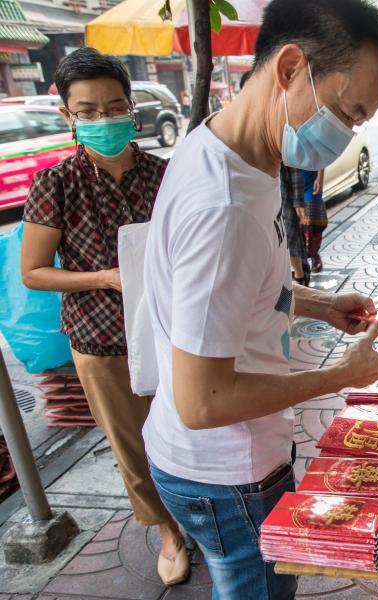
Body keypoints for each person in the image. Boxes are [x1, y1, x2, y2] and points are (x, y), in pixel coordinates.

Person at [142, 0, 378, 597]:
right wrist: (342, 375)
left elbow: (239, 293)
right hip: (225, 473)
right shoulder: (225, 207)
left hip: (196, 459)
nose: (345, 136)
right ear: (289, 67)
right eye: (346, 111)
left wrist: (318, 303)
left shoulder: (226, 147)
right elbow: (203, 401)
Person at [19, 48, 188, 586]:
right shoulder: (57, 185)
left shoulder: (167, 174)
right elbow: (35, 272)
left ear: (131, 108)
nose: (103, 119)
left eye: (113, 107)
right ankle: (167, 530)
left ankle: (202, 514)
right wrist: (105, 278)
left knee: (188, 426)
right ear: (69, 116)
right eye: (88, 110)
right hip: (99, 338)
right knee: (132, 441)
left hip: (171, 329)